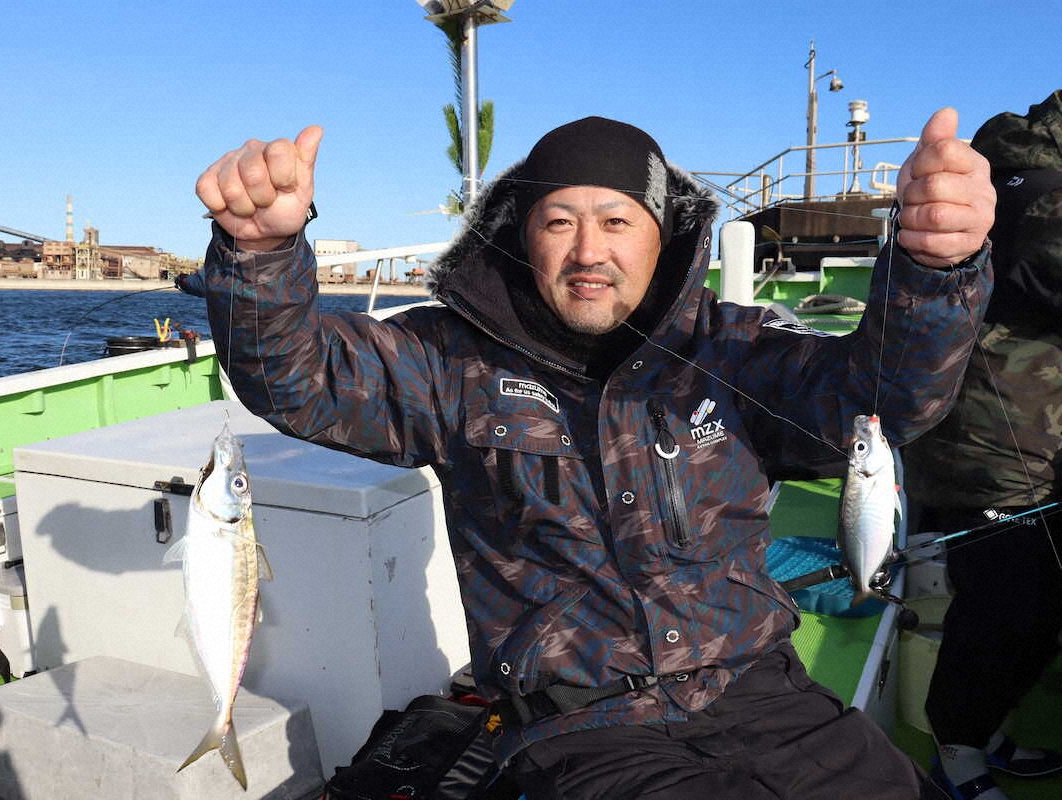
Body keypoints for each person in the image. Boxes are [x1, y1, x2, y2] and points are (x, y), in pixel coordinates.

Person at [196, 109, 994, 799]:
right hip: (586, 729)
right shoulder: (447, 362)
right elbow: (300, 379)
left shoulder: (734, 350)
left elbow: (884, 403)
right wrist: (260, 256)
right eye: (558, 221)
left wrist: (933, 268)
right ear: (521, 237)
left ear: (663, 237)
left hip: (766, 694)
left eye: (616, 221)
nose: (588, 251)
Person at [903, 90, 1062, 800]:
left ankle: (979, 726)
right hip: (1000, 448)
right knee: (1011, 607)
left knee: (1017, 606)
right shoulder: (1037, 173)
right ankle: (957, 749)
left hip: (1026, 437)